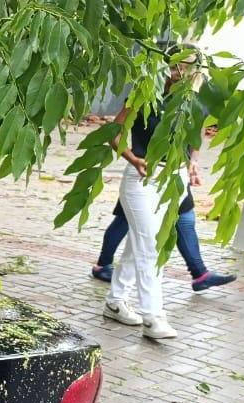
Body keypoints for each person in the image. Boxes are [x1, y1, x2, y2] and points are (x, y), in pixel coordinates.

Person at [100, 44, 207, 340]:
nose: (180, 71)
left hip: (174, 179)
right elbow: (115, 131)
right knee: (151, 247)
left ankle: (115, 301)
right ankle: (153, 317)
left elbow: (195, 138)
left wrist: (194, 164)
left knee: (140, 245)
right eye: (176, 64)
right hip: (141, 179)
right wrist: (133, 158)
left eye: (187, 66)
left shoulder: (194, 103)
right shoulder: (147, 93)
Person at [91, 192, 236, 291]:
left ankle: (200, 274)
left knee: (185, 218)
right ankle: (103, 265)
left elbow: (194, 145)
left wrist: (193, 161)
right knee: (124, 220)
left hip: (176, 171)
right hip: (144, 172)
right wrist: (134, 160)